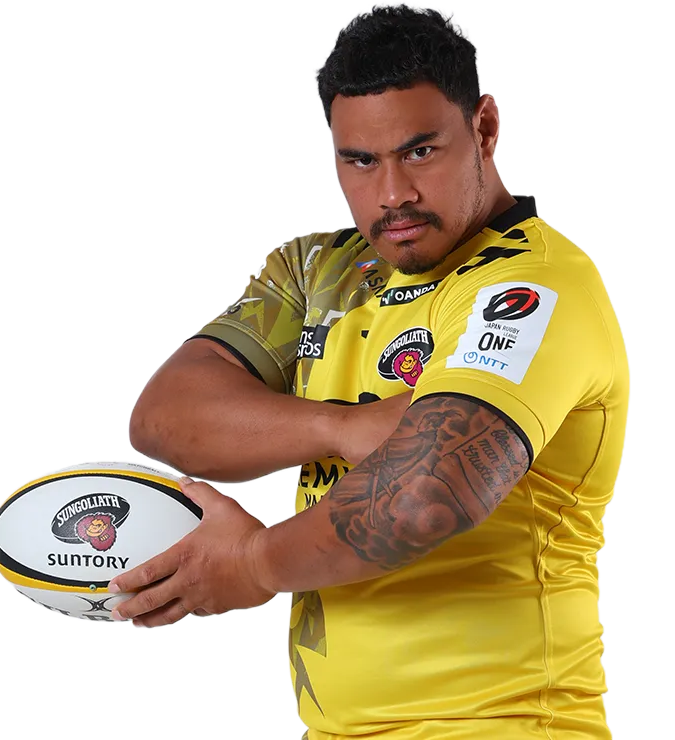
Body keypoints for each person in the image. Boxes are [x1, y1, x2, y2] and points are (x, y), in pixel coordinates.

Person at [109, 3, 625, 738]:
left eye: (420, 152)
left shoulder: (531, 287)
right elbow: (166, 417)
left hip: (500, 723)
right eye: (359, 161)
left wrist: (253, 565)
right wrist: (342, 427)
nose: (392, 194)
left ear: (484, 128)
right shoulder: (316, 273)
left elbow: (427, 494)